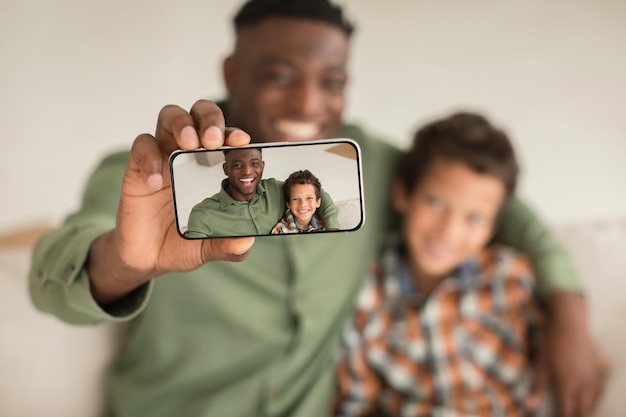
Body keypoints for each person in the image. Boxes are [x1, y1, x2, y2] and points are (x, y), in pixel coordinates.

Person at [28, 1, 604, 416]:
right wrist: (126, 264)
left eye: (331, 81)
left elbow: (502, 207)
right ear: (232, 71)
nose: (309, 102)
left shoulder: (367, 163)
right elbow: (51, 276)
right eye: (280, 75)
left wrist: (569, 313)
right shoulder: (154, 176)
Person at [335, 112, 547, 416]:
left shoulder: (512, 278)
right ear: (402, 194)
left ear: (493, 227)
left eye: (474, 218)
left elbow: (562, 360)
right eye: (435, 203)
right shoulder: (365, 294)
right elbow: (356, 404)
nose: (449, 231)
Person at [185, 148, 338, 237]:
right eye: (237, 165)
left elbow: (318, 193)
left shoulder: (276, 189)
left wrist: (332, 229)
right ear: (226, 169)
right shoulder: (203, 214)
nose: (247, 171)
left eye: (255, 164)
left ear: (262, 166)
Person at [271, 169, 327, 234]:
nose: (303, 204)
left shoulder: (324, 228)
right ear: (288, 204)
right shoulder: (280, 230)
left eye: (309, 198)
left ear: (318, 202)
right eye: (296, 199)